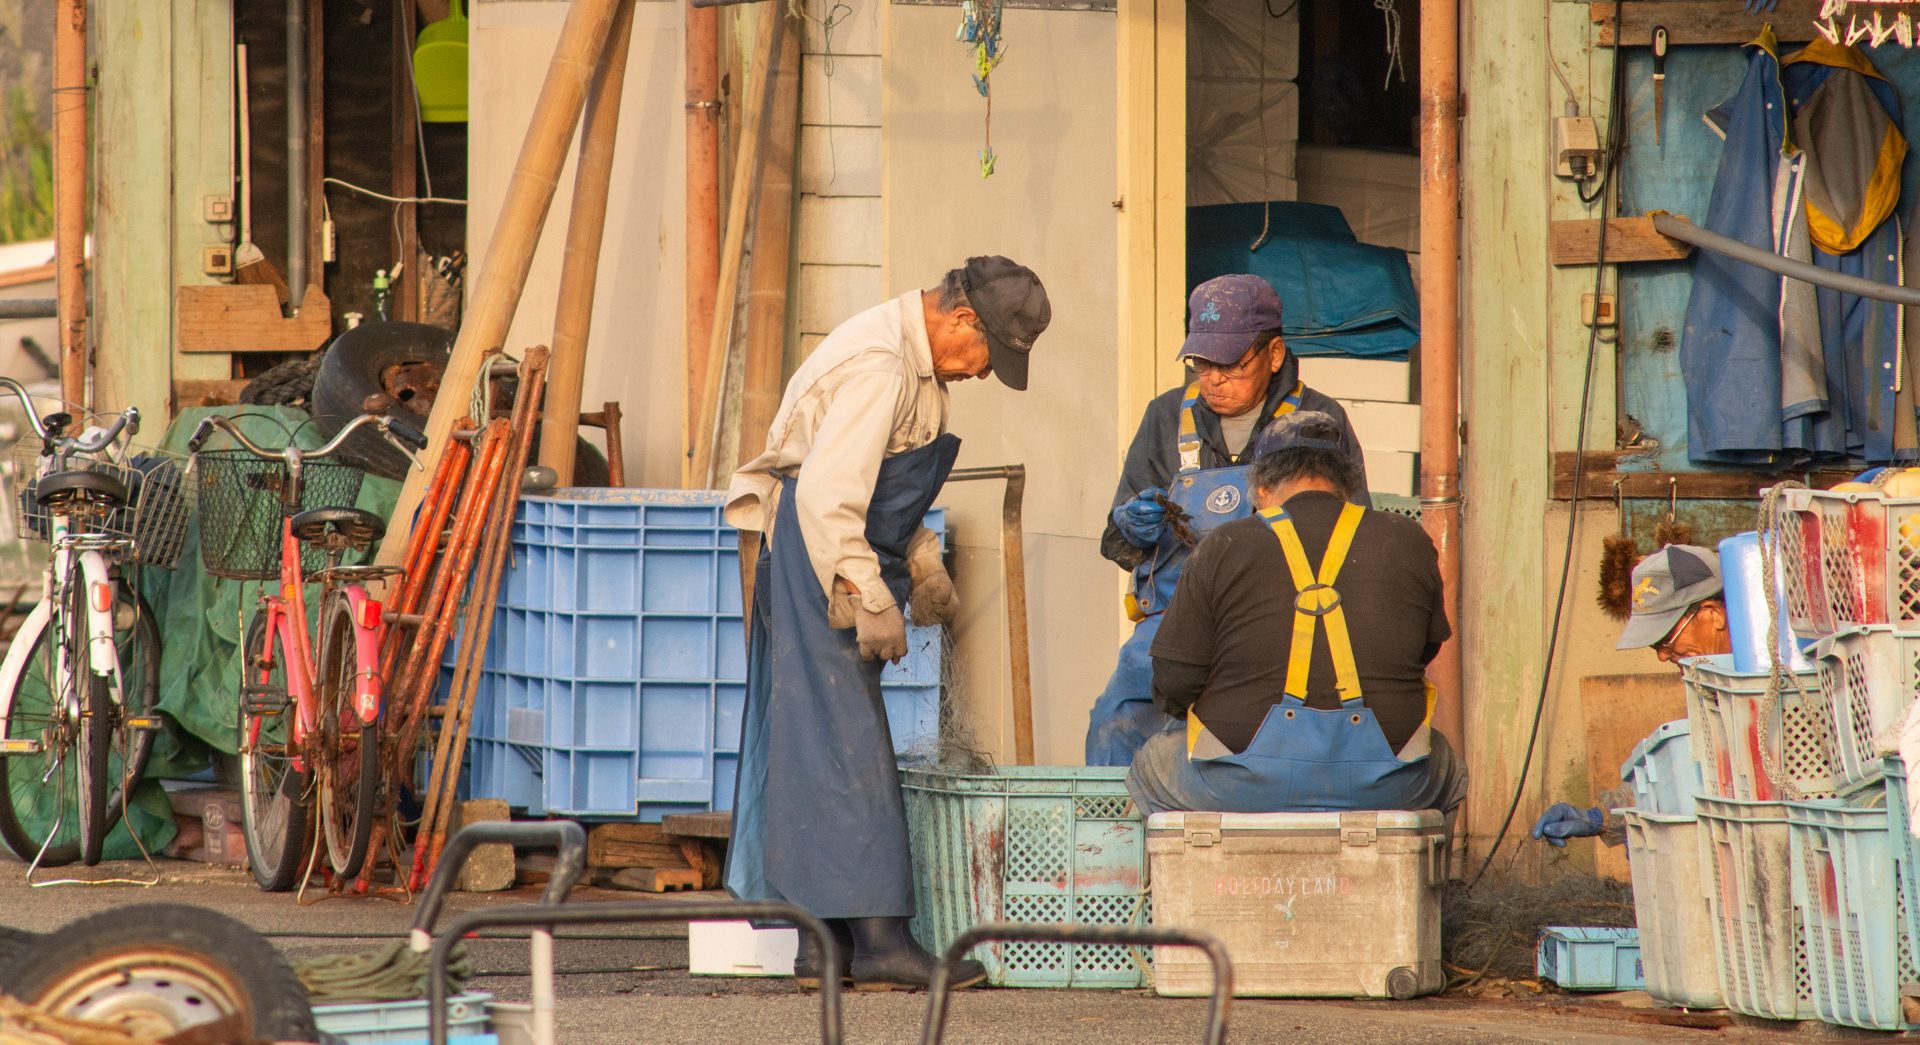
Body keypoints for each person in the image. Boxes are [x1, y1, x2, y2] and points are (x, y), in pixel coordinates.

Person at [723, 256, 1051, 990]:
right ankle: (878, 942)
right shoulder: (881, 366)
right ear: (962, 319)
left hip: (837, 553)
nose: (984, 372)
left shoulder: (920, 370)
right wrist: (867, 591)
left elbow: (883, 489)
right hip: (820, 562)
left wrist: (923, 560)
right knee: (848, 747)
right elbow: (828, 495)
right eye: (989, 356)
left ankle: (821, 949)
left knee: (816, 746)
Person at [1086, 274, 1371, 767]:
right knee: (1116, 719)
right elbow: (1116, 542)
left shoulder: (1320, 419)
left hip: (1287, 617)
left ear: (1274, 354)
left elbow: (1353, 537)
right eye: (1202, 364)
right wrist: (1130, 525)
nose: (1213, 380)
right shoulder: (1165, 416)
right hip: (1172, 619)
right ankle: (1114, 819)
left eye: (1231, 364)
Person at [1124, 412, 1466, 819]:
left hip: (1240, 786)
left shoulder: (1224, 542)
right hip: (1387, 785)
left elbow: (1174, 681)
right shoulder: (1408, 539)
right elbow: (1424, 649)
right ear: (1347, 484)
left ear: (1261, 488)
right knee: (1447, 768)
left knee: (1150, 765)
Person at [1532, 544, 1729, 846]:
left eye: (1666, 638)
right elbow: (1676, 778)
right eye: (1655, 646)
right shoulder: (1707, 683)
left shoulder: (1767, 675)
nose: (1662, 656)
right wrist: (1601, 818)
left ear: (1713, 615)